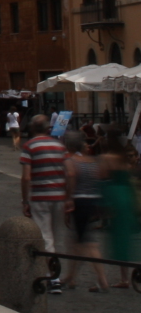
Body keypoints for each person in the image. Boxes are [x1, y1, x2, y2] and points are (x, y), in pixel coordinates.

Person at [62, 132, 110, 291]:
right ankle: (71, 277)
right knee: (77, 240)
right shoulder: (93, 162)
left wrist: (69, 199)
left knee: (88, 243)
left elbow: (71, 178)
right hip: (92, 201)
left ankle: (102, 280)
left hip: (80, 201)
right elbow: (100, 178)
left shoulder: (72, 161)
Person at [21, 115, 69, 268]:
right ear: (48, 128)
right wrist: (69, 196)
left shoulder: (29, 146)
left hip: (40, 196)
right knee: (56, 234)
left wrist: (25, 201)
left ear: (32, 128)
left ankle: (51, 273)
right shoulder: (60, 146)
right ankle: (55, 268)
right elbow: (70, 173)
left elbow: (26, 177)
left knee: (44, 235)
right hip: (59, 196)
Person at [99, 139, 139, 286]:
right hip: (128, 200)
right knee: (127, 239)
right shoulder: (126, 165)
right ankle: (126, 277)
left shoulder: (109, 159)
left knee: (122, 240)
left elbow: (102, 177)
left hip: (118, 199)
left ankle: (125, 278)